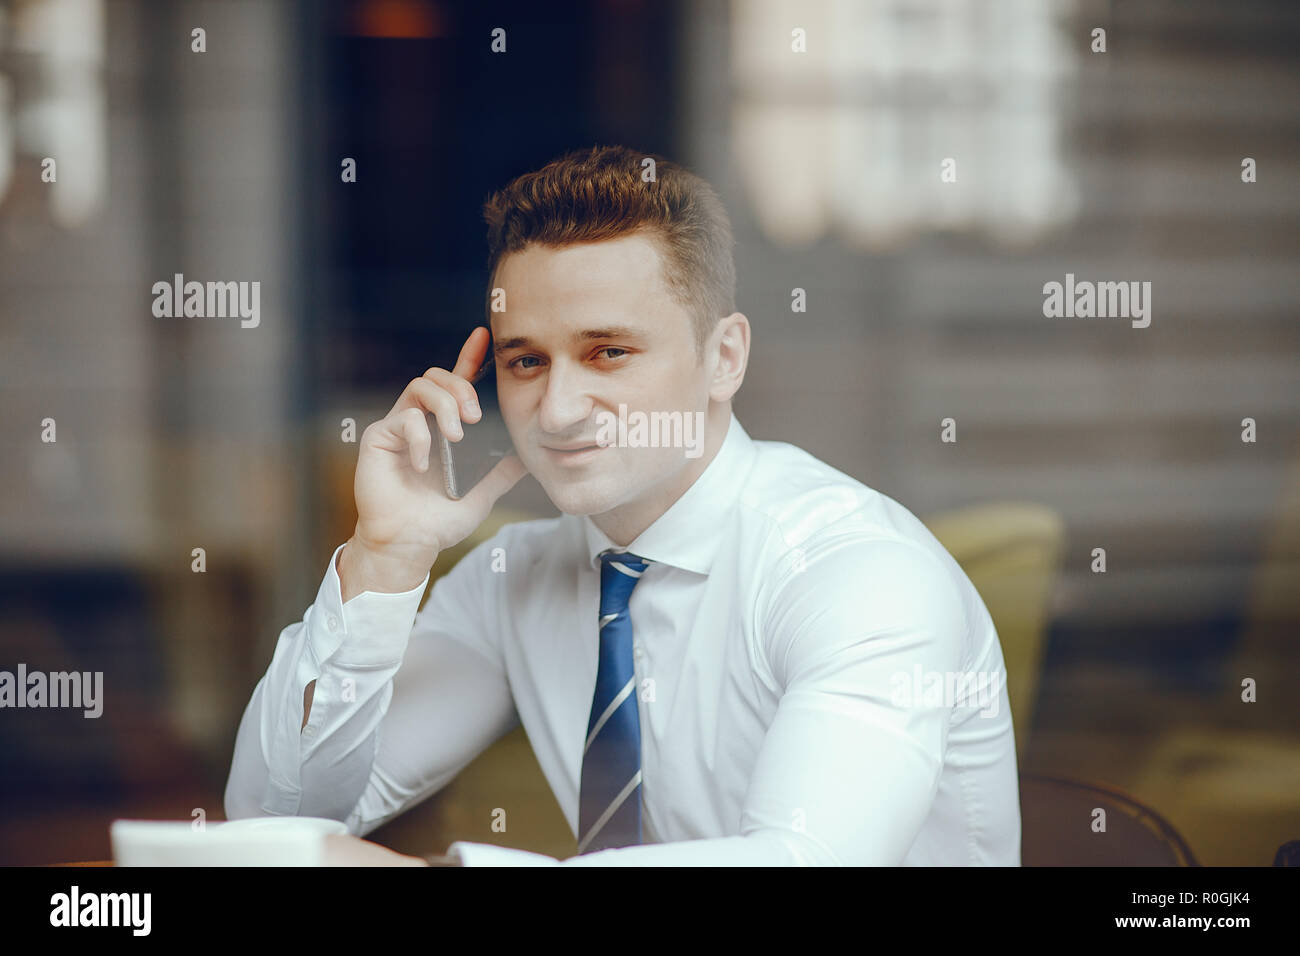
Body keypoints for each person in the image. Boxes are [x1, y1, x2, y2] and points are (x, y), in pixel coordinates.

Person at [224, 144, 1021, 865]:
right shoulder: (518, 576)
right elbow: (272, 820)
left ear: (724, 357)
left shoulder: (858, 572)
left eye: (609, 352)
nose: (559, 407)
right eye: (526, 360)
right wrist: (382, 559)